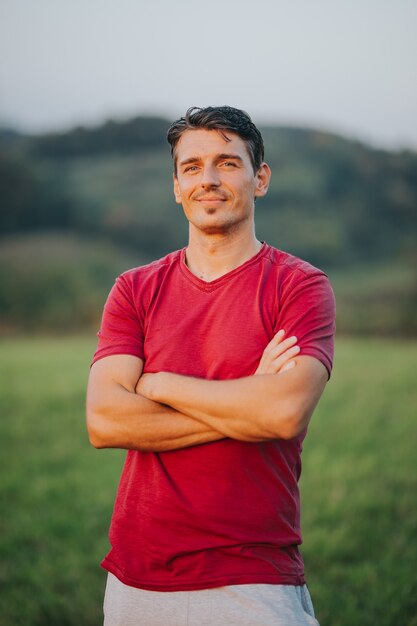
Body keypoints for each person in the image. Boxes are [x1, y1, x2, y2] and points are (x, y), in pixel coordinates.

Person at [86, 106, 336, 626]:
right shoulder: (134, 289)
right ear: (176, 185)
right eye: (193, 166)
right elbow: (106, 421)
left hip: (255, 573)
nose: (209, 179)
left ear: (259, 178)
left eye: (227, 162)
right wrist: (246, 402)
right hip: (138, 573)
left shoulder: (299, 286)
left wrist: (159, 384)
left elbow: (283, 413)